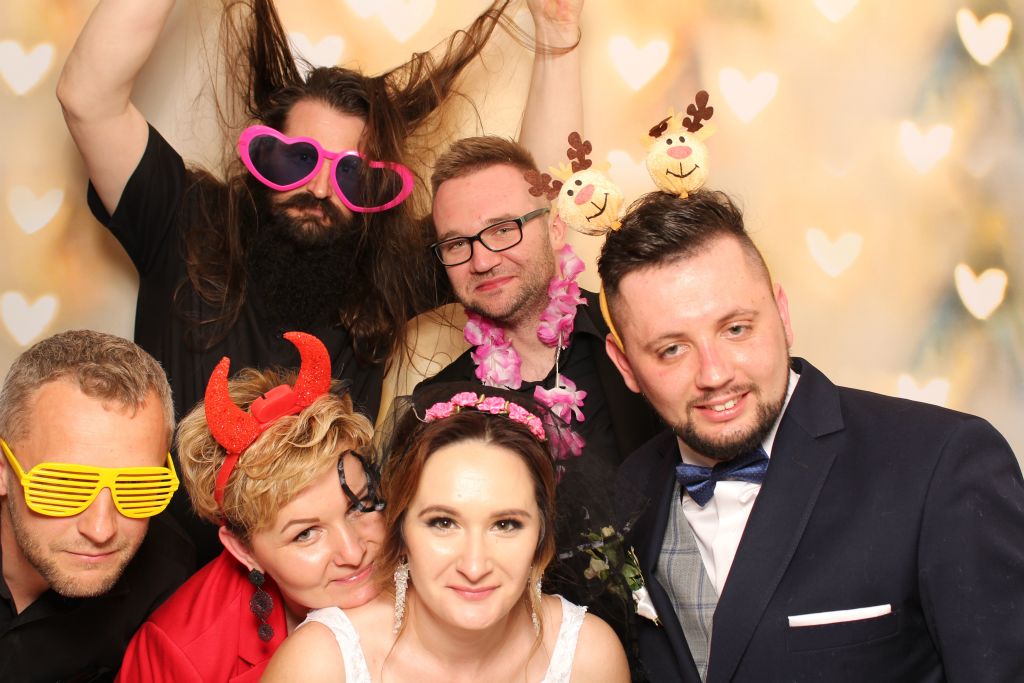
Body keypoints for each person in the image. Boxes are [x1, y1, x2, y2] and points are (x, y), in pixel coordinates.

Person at [57, 0, 583, 562]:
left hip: (327, 582)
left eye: (351, 174)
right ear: (262, 154)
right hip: (166, 576)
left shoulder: (383, 272)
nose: (320, 189)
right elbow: (88, 98)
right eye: (297, 160)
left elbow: (533, 211)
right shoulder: (184, 220)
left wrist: (558, 36)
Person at [597, 190, 1024, 682]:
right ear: (625, 365)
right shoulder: (627, 491)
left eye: (736, 329)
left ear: (783, 315)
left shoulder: (942, 463)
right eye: (672, 350)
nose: (714, 374)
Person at [262, 386, 630, 682]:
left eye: (506, 525)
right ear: (400, 531)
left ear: (540, 535)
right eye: (443, 523)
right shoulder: (320, 663)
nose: (474, 566)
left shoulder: (588, 655)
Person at [116, 331, 385, 681]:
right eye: (306, 534)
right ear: (244, 551)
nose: (354, 552)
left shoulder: (437, 569)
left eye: (360, 505)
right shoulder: (177, 656)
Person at [0, 330, 194, 682]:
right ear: (3, 471)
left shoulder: (169, 575)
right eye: (65, 484)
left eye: (137, 486)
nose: (101, 530)